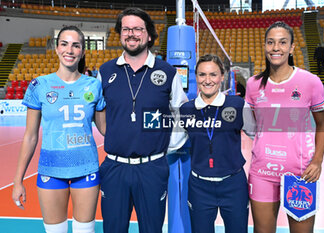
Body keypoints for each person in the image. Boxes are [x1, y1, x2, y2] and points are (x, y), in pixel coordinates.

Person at [97, 7, 188, 233]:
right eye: (126, 29)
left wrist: (165, 147)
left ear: (149, 35)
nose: (131, 34)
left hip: (152, 168)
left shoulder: (167, 72)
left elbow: (181, 112)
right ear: (119, 34)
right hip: (114, 167)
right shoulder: (105, 71)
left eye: (138, 29)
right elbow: (98, 112)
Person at [12, 25, 106, 233]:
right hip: (51, 170)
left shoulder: (94, 85)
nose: (69, 50)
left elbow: (106, 129)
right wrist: (18, 181)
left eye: (75, 45)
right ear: (56, 48)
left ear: (82, 51)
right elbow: (30, 136)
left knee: (85, 230)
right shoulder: (40, 85)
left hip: (86, 168)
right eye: (64, 44)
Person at [245, 21, 324, 233]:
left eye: (283, 43)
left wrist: (317, 161)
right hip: (262, 172)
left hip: (300, 173)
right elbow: (255, 126)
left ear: (291, 47)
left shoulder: (310, 82)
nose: (276, 48)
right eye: (271, 42)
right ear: (264, 46)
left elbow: (322, 125)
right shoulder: (253, 85)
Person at [179, 54, 255, 233]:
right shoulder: (186, 110)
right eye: (202, 75)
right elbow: (172, 143)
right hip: (199, 187)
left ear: (222, 77)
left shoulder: (237, 105)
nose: (207, 80)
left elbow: (257, 134)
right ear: (196, 77)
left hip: (233, 184)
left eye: (213, 74)